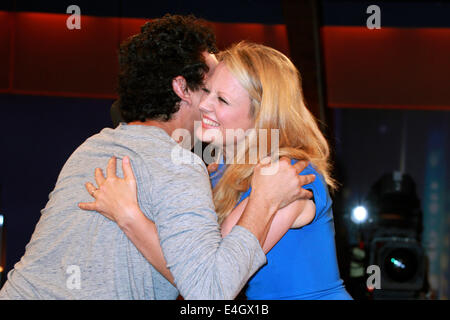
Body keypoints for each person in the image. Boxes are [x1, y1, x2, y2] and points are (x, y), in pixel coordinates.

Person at [0, 15, 314, 300]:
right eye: (210, 88)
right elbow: (210, 292)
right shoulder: (178, 165)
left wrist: (131, 217)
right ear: (182, 88)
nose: (212, 103)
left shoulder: (90, 147)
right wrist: (264, 199)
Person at [79, 42, 353, 300]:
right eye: (207, 90)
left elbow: (205, 276)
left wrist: (128, 215)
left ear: (261, 116)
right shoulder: (217, 171)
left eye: (222, 100)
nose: (203, 104)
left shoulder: (287, 174)